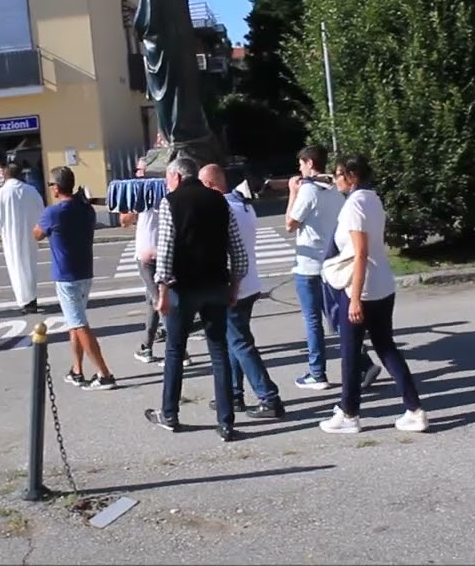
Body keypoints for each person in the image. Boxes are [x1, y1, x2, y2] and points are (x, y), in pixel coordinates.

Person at [318, 155, 427, 434]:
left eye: (340, 174)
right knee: (385, 346)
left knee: (350, 352)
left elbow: (360, 252)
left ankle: (349, 413)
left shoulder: (354, 205)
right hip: (382, 285)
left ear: (352, 176)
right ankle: (414, 409)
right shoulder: (373, 199)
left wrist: (354, 298)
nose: (336, 178)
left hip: (361, 288)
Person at [143, 158, 249, 442]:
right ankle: (226, 422)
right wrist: (235, 283)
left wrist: (162, 291)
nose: (167, 183)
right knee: (219, 352)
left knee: (175, 350)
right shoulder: (219, 201)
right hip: (216, 284)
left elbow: (165, 250)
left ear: (176, 176)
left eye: (167, 178)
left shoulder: (171, 202)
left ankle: (170, 413)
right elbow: (236, 247)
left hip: (183, 288)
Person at [286, 145, 380, 390]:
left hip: (309, 266)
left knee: (313, 319)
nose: (299, 168)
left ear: (308, 163)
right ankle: (363, 363)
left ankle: (317, 372)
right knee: (337, 318)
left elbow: (290, 224)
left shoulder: (308, 191)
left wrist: (292, 192)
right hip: (331, 264)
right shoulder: (335, 189)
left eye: (301, 164)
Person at [199, 164, 285, 418]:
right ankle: (234, 394)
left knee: (239, 343)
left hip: (232, 285)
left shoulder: (222, 209)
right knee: (234, 341)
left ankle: (269, 397)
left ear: (211, 185)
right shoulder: (242, 205)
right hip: (249, 283)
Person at [34, 166, 116, 390]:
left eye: (51, 184)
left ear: (57, 187)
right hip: (84, 272)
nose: (50, 188)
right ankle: (77, 370)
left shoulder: (53, 212)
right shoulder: (86, 210)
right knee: (74, 323)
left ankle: (104, 373)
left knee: (79, 324)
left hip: (66, 275)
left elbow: (36, 234)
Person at [124, 158, 167, 363]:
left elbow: (125, 221)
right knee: (152, 300)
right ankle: (146, 346)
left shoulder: (139, 192)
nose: (136, 173)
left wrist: (130, 207)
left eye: (139, 170)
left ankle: (178, 350)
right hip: (165, 251)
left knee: (159, 300)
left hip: (145, 254)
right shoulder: (166, 188)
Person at [0, 162, 42, 314]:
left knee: (16, 267)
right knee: (30, 265)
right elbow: (40, 211)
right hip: (30, 233)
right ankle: (32, 298)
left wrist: (3, 231)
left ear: (5, 175)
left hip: (11, 235)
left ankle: (25, 301)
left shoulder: (0, 194)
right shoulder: (31, 191)